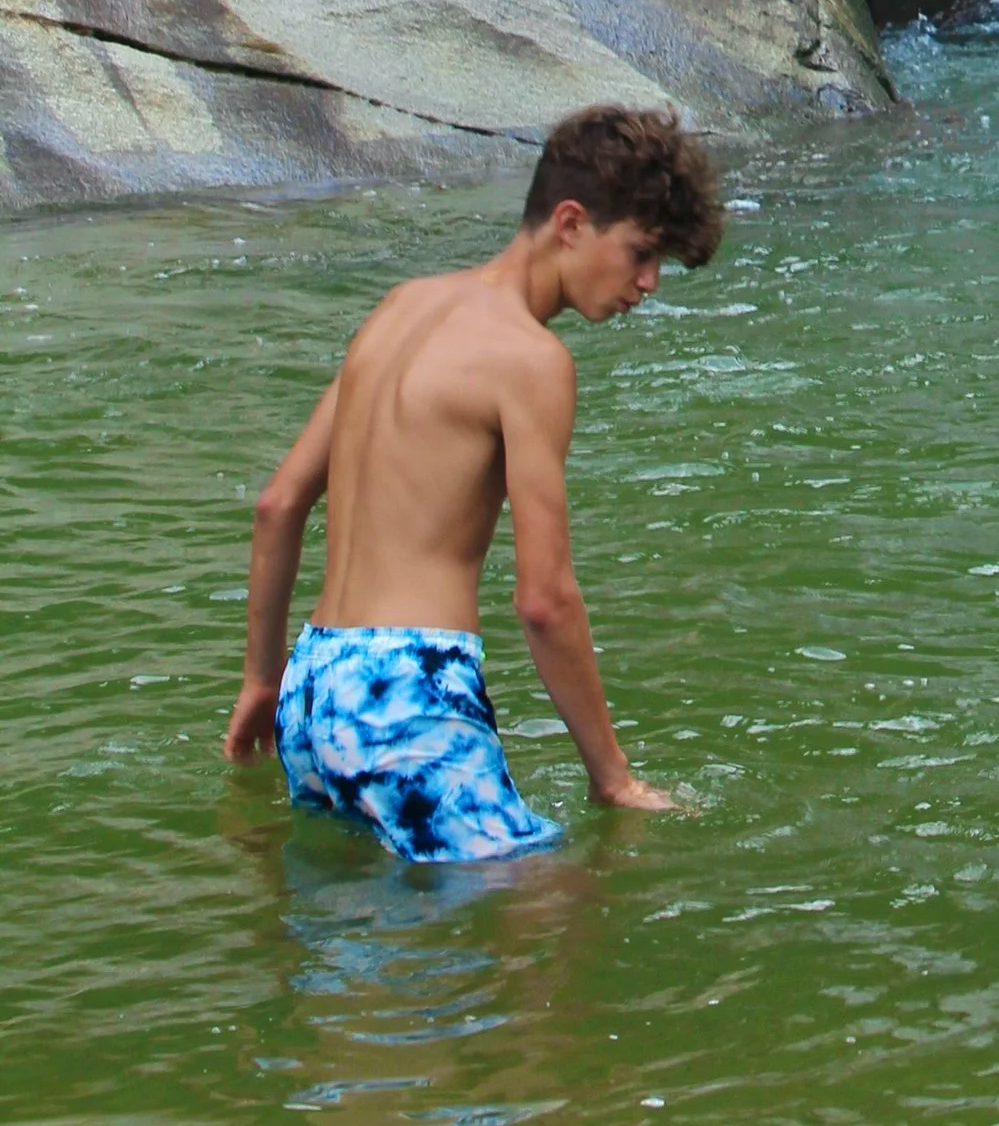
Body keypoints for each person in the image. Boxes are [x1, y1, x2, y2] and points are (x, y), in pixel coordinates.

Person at [220, 104, 724, 862]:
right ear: (570, 223)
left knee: (367, 951)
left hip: (314, 686)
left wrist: (262, 682)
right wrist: (611, 777)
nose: (649, 283)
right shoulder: (530, 359)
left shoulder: (399, 308)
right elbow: (544, 600)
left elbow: (278, 504)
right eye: (641, 253)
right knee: (559, 919)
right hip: (409, 694)